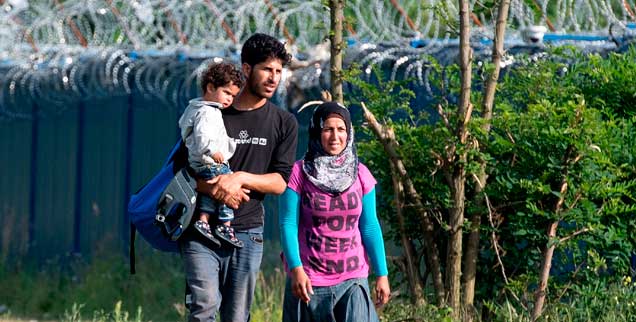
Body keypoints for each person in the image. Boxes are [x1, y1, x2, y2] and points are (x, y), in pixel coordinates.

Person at [180, 33, 298, 322]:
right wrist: (218, 189)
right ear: (247, 69)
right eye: (267, 70)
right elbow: (181, 173)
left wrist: (240, 178)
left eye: (278, 72)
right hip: (201, 226)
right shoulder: (213, 111)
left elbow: (280, 182)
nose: (273, 78)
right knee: (204, 307)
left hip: (247, 232)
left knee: (236, 316)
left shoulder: (284, 122)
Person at [279, 101, 391, 322]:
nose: (334, 136)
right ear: (317, 131)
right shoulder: (298, 173)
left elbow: (369, 226)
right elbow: (287, 223)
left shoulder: (360, 174)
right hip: (309, 280)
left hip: (352, 278)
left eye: (341, 129)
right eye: (328, 129)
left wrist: (382, 274)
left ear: (348, 133)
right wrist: (296, 269)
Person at [178, 62, 245, 248]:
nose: (230, 99)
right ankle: (225, 224)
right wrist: (212, 150)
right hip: (209, 160)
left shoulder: (197, 108)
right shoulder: (207, 111)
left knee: (211, 192)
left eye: (233, 95)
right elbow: (202, 135)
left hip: (201, 162)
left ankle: (203, 220)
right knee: (229, 185)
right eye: (227, 93)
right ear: (210, 87)